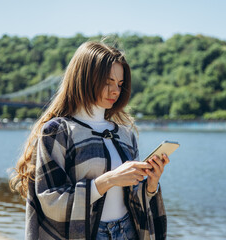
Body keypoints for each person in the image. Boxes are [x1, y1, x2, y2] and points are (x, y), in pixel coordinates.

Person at [9, 41, 168, 240]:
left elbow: (133, 197)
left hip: (129, 232)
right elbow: (50, 201)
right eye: (108, 82)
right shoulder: (58, 131)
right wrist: (108, 180)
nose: (115, 91)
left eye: (119, 84)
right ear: (85, 78)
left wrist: (150, 185)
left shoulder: (126, 135)